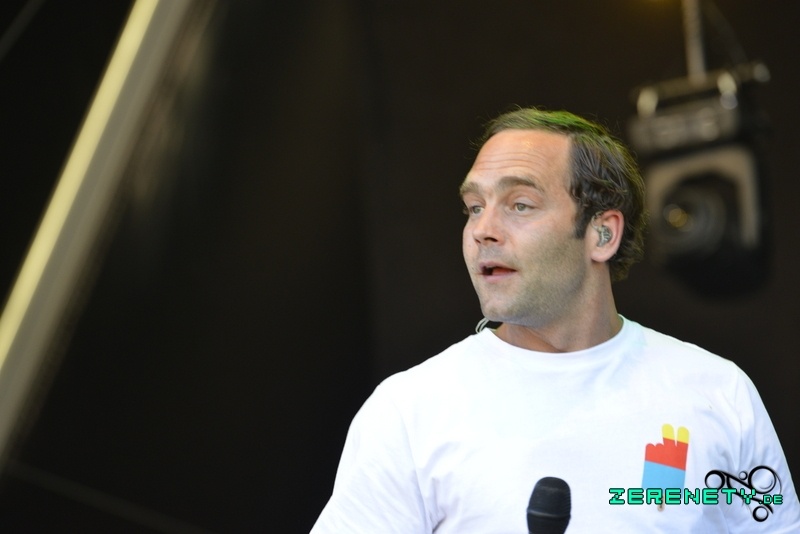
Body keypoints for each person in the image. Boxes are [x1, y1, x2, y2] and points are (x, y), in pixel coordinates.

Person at [310, 107, 800, 532]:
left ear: (602, 235)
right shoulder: (409, 410)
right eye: (474, 207)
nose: (482, 230)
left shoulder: (718, 392)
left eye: (520, 204)